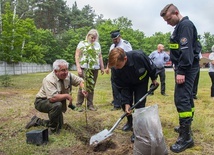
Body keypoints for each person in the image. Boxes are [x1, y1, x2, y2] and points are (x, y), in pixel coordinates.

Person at [160, 4, 201, 153]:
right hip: (183, 67)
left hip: (187, 68)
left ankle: (186, 138)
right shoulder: (179, 27)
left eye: (169, 18)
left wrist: (182, 71)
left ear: (176, 13)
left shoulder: (185, 26)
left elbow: (186, 50)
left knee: (182, 98)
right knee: (186, 97)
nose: (167, 22)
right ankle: (186, 126)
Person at [108, 47, 158, 142]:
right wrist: (126, 103)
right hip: (126, 85)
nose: (116, 68)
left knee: (139, 106)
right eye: (115, 66)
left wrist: (154, 79)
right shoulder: (115, 69)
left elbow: (151, 67)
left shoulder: (139, 56)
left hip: (141, 82)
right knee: (125, 105)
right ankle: (130, 122)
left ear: (125, 59)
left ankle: (138, 131)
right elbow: (121, 87)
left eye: (118, 65)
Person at [25, 59, 87, 134]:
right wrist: (67, 96)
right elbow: (52, 98)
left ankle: (37, 121)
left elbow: (81, 81)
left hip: (56, 102)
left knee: (60, 125)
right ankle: (52, 130)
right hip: (42, 101)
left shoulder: (68, 76)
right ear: (55, 71)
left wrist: (83, 89)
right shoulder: (49, 79)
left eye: (67, 69)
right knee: (57, 105)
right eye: (63, 70)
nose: (66, 72)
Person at [75, 29, 104, 111]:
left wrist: (102, 67)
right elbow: (77, 55)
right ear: (88, 36)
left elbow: (100, 56)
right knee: (83, 85)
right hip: (84, 67)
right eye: (92, 37)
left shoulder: (97, 44)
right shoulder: (82, 43)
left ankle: (90, 105)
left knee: (91, 86)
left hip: (94, 68)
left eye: (95, 38)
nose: (93, 39)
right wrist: (78, 67)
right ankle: (79, 104)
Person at [105, 29, 133, 112]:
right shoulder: (112, 46)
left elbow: (130, 56)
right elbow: (110, 58)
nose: (115, 41)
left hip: (123, 67)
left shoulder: (125, 44)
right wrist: (108, 67)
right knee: (115, 85)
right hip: (114, 68)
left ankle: (125, 102)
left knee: (124, 85)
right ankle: (116, 104)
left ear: (119, 37)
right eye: (113, 40)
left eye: (116, 39)